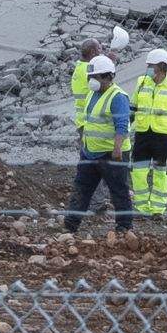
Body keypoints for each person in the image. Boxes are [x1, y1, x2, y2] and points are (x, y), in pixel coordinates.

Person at [62, 54, 134, 235]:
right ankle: (71, 224)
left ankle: (124, 227)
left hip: (111, 154)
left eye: (95, 77)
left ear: (108, 77)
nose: (91, 81)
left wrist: (117, 148)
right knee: (82, 187)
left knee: (119, 190)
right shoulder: (92, 94)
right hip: (90, 152)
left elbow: (122, 125)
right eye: (90, 77)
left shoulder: (118, 97)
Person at [128, 47, 167, 219]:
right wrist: (125, 127)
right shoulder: (141, 82)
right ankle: (141, 209)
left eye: (150, 65)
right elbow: (133, 107)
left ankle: (157, 210)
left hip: (162, 137)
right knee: (138, 172)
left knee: (161, 173)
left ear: (161, 67)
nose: (147, 68)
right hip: (142, 133)